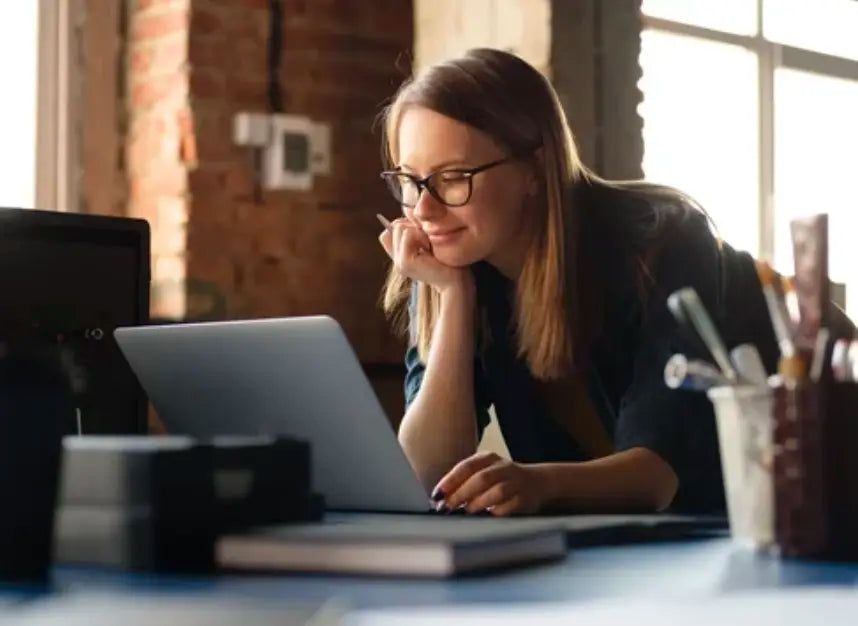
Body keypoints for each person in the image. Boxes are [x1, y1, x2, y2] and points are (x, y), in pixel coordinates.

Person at [374, 48, 835, 516]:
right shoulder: (451, 260)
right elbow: (426, 473)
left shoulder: (663, 241)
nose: (423, 209)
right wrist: (455, 297)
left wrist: (538, 483)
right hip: (661, 541)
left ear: (533, 169)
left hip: (814, 498)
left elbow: (655, 477)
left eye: (453, 177)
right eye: (410, 180)